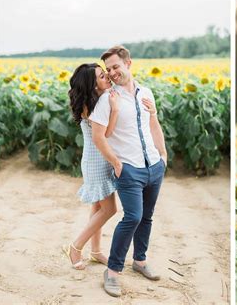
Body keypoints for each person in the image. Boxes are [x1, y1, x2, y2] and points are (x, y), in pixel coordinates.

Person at [89, 45, 168, 297]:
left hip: (153, 166)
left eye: (116, 67)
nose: (112, 73)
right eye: (108, 69)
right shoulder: (107, 99)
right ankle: (112, 272)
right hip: (129, 169)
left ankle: (140, 260)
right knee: (132, 217)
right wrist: (115, 162)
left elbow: (153, 123)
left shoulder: (146, 92)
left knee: (147, 216)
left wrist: (163, 155)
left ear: (128, 64)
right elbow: (98, 136)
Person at [64, 63, 119, 269]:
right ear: (91, 84)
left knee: (97, 207)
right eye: (102, 76)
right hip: (96, 162)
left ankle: (96, 252)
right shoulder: (93, 105)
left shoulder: (95, 100)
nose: (108, 77)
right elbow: (105, 135)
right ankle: (76, 247)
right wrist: (115, 110)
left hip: (98, 159)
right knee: (110, 209)